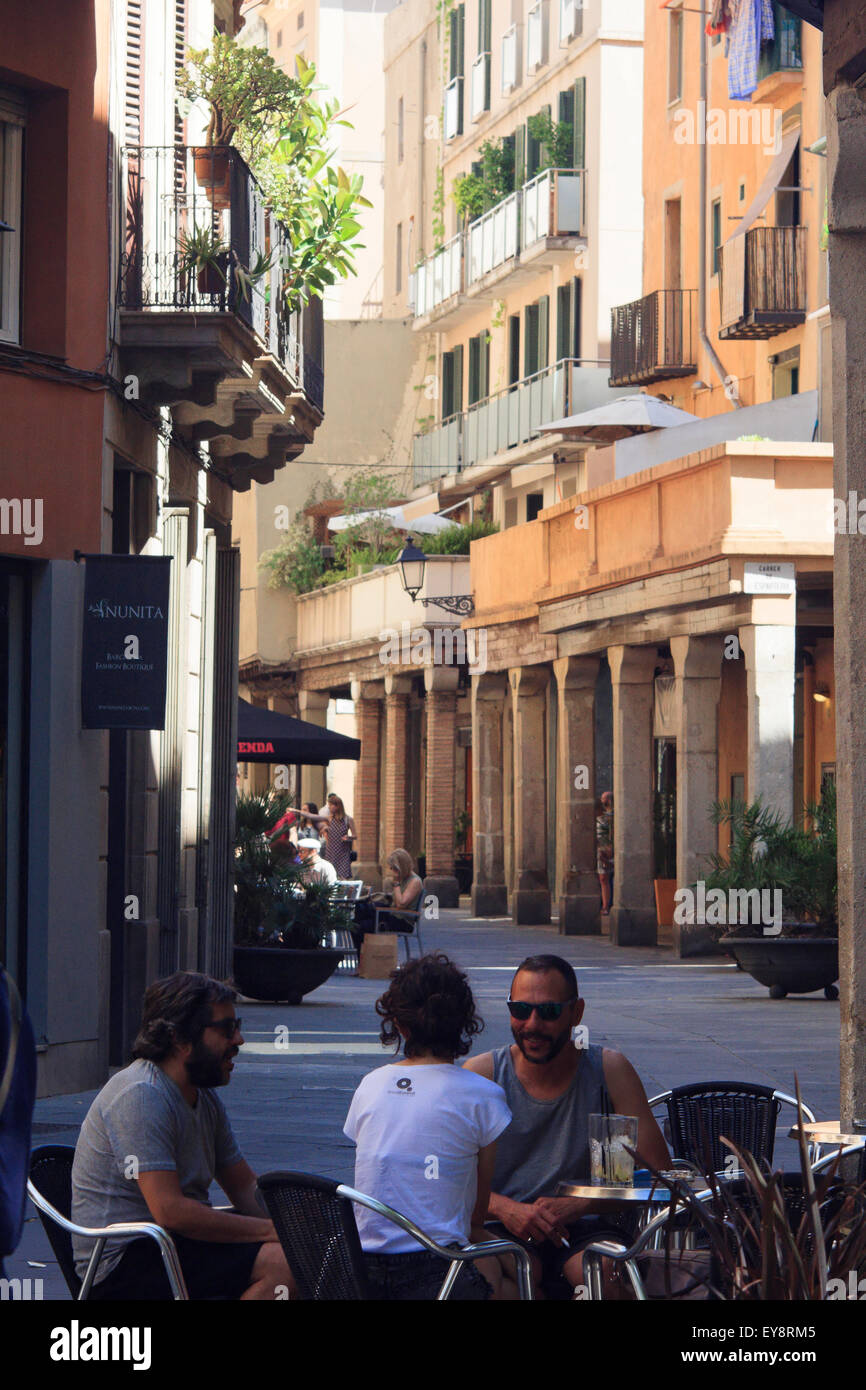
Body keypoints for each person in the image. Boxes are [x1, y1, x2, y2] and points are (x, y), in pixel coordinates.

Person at [71, 972, 293, 1300]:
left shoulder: (202, 1096)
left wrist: (299, 1225)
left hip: (175, 1244)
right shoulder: (142, 1094)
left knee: (304, 1255)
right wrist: (273, 1233)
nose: (239, 1041)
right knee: (282, 1265)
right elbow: (169, 1210)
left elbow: (244, 1186)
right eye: (227, 1029)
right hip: (126, 1262)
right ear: (180, 1039)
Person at [463, 953, 670, 1297]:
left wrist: (582, 1203)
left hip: (586, 1229)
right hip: (500, 1229)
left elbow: (657, 1173)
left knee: (605, 1275)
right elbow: (448, 1182)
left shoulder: (606, 1072)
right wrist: (507, 1209)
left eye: (548, 1012)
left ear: (576, 1013)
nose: (531, 1025)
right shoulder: (483, 1075)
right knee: (497, 1277)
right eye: (519, 1010)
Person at [343, 952, 512, 1300]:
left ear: (400, 1025)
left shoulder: (370, 1085)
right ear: (465, 1022)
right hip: (439, 1274)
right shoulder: (484, 1096)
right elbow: (475, 1216)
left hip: (362, 1272)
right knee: (512, 1279)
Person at [351, 849, 423, 945]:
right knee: (360, 908)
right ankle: (360, 953)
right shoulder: (404, 877)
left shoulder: (415, 881)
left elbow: (401, 904)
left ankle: (362, 956)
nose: (392, 870)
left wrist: (396, 883)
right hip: (393, 914)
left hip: (402, 921)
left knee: (361, 927)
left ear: (401, 867)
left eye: (393, 868)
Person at [596, 790, 614, 915]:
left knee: (607, 877)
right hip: (600, 849)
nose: (604, 802)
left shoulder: (612, 817)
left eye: (606, 800)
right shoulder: (599, 817)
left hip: (610, 849)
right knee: (603, 878)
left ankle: (607, 904)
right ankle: (605, 904)